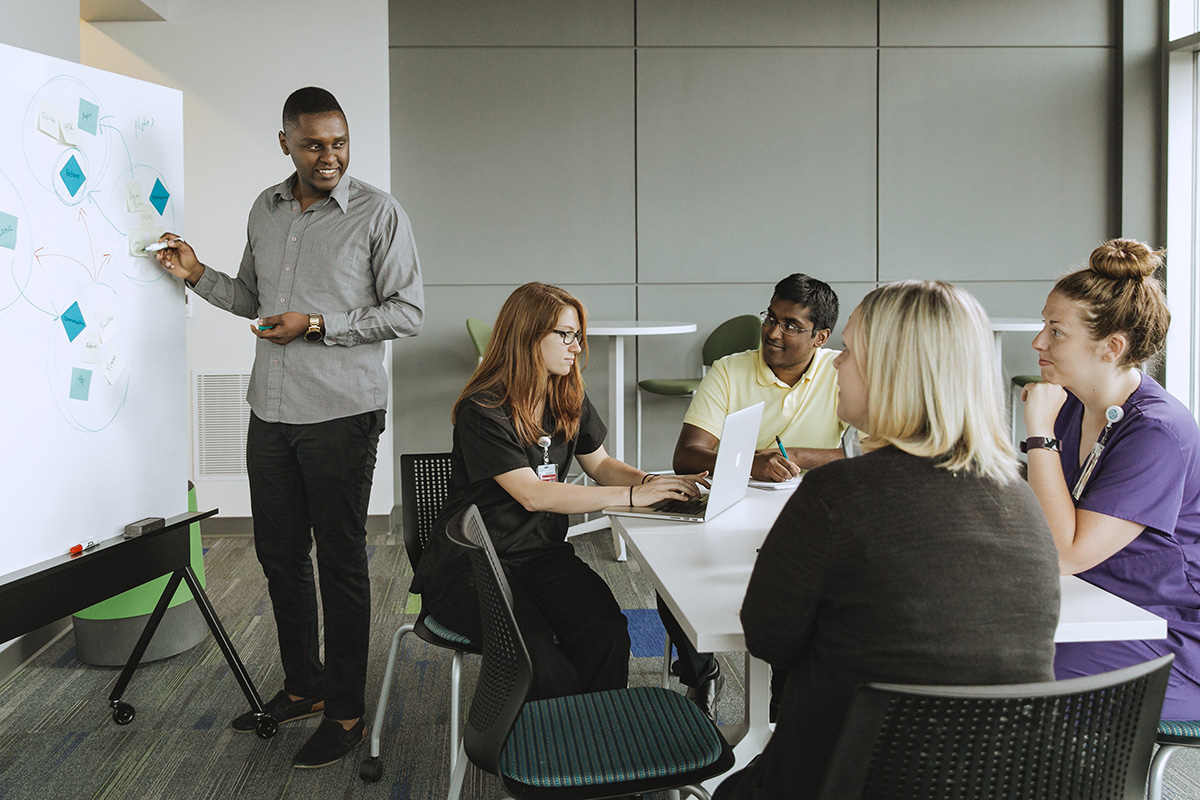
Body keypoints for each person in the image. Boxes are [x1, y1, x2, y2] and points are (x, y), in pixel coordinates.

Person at [153, 87, 424, 768]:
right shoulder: (265, 209)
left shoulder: (377, 213)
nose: (329, 156)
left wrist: (321, 325)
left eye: (338, 142)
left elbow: (407, 312)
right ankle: (303, 685)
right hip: (269, 413)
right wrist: (194, 276)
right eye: (313, 144)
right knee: (278, 556)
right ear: (285, 144)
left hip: (340, 414)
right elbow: (253, 299)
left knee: (339, 562)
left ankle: (347, 711)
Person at [715, 281, 1060, 800]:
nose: (834, 364)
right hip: (994, 781)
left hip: (848, 775)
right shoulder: (1022, 499)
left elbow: (768, 641)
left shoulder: (837, 495)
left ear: (892, 373)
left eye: (850, 351)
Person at [411, 282, 709, 699]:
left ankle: (596, 740)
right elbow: (533, 494)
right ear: (528, 337)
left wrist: (650, 483)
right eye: (565, 335)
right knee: (533, 654)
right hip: (474, 563)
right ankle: (550, 750)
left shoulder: (567, 394)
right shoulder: (482, 408)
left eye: (577, 336)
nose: (576, 347)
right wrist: (629, 498)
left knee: (605, 630)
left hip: (540, 554)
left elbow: (601, 464)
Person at [1022, 238, 1200, 719]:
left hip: (1164, 636)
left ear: (1112, 347)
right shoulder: (1074, 406)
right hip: (1090, 604)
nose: (1038, 341)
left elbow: (1064, 553)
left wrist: (1038, 435)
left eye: (1055, 331)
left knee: (1011, 673)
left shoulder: (1157, 433)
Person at [665, 273, 847, 717]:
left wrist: (797, 455)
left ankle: (782, 712)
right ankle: (702, 673)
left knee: (804, 604)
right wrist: (751, 463)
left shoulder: (844, 371)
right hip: (734, 508)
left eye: (790, 325)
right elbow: (687, 455)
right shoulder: (730, 369)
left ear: (820, 337)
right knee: (669, 580)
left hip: (813, 518)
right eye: (771, 317)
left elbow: (872, 453)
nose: (772, 331)